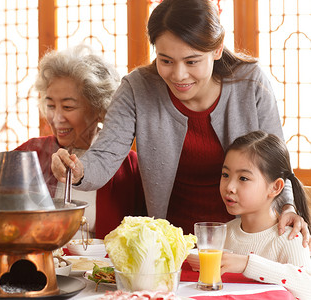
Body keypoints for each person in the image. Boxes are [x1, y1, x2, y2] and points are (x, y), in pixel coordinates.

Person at [50, 0, 310, 243]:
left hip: (247, 241)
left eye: (192, 61)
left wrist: (288, 207)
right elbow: (105, 155)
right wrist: (78, 170)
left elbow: (277, 165)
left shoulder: (250, 83)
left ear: (217, 49)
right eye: (166, 61)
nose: (178, 75)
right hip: (172, 245)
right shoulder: (137, 88)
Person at [0, 45, 146, 239]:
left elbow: (144, 236)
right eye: (50, 105)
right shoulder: (29, 155)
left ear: (99, 109)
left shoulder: (129, 167)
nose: (56, 118)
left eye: (68, 107)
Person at [219, 131, 311, 299]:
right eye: (225, 175)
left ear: (275, 187)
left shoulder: (289, 238)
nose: (230, 187)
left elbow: (307, 287)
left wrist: (247, 263)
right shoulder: (223, 232)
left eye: (243, 178)